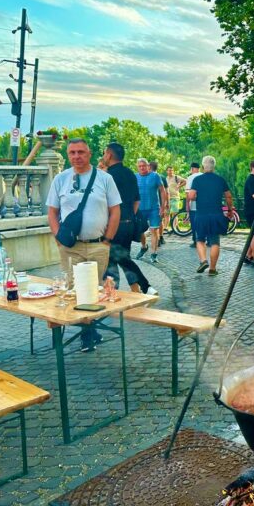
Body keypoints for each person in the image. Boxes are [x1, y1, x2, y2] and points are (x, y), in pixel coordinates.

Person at [46, 138, 121, 352]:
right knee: (73, 289)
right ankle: (87, 334)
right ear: (68, 155)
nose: (76, 156)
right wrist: (58, 235)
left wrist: (107, 239)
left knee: (93, 290)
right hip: (71, 246)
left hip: (98, 244)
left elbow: (115, 210)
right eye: (72, 153)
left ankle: (89, 330)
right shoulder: (60, 179)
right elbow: (52, 211)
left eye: (81, 152)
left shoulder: (105, 178)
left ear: (89, 154)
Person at [102, 143, 156, 296]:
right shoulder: (131, 174)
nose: (104, 156)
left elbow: (104, 203)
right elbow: (136, 200)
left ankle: (145, 287)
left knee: (119, 259)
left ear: (109, 155)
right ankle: (134, 293)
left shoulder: (107, 176)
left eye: (105, 153)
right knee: (119, 259)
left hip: (114, 225)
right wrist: (129, 216)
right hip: (129, 224)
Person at [189, 155, 235, 275]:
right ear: (214, 166)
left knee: (199, 239)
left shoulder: (197, 180)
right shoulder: (220, 179)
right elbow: (228, 196)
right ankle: (213, 269)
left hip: (201, 214)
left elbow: (191, 196)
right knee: (215, 241)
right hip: (216, 214)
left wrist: (198, 197)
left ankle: (203, 260)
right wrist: (230, 210)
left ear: (203, 166)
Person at [135, 158, 168, 264]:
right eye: (139, 166)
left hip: (154, 208)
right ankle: (144, 247)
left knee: (154, 230)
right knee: (140, 231)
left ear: (148, 166)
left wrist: (163, 207)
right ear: (137, 167)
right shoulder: (135, 177)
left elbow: (163, 191)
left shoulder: (155, 176)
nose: (142, 168)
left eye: (143, 166)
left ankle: (154, 254)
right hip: (140, 209)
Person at [149, 161, 169, 246]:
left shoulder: (148, 177)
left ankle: (155, 239)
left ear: (149, 167)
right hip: (161, 202)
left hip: (152, 203)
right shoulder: (163, 177)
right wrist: (167, 203)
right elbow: (167, 192)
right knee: (160, 221)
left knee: (153, 223)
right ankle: (160, 237)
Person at [163, 165, 185, 237]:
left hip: (175, 198)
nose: (170, 171)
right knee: (167, 213)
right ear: (166, 171)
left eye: (172, 170)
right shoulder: (165, 178)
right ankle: (165, 228)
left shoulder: (176, 177)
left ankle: (175, 228)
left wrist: (179, 186)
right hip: (168, 198)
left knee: (175, 213)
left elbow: (185, 181)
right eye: (169, 170)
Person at [185, 162, 201, 247]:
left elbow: (188, 193)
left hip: (194, 205)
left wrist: (187, 205)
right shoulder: (203, 176)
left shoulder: (190, 178)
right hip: (204, 205)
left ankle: (195, 241)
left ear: (192, 168)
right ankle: (208, 240)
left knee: (194, 224)